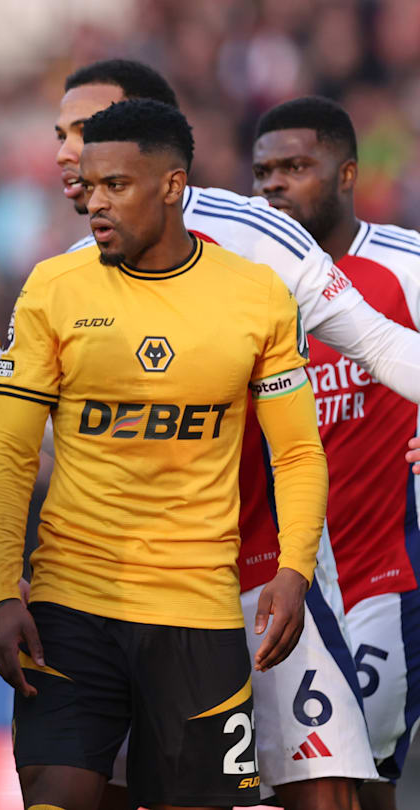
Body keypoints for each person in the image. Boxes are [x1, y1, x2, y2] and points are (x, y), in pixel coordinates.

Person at [50, 58, 420, 810]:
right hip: (141, 590)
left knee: (338, 789)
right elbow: (42, 426)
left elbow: (379, 344)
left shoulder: (251, 237)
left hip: (271, 569)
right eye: (60, 134)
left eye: (84, 131)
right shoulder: (67, 273)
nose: (64, 152)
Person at [0, 98, 328, 810]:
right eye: (89, 185)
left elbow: (296, 451)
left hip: (198, 611)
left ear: (172, 186)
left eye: (117, 185)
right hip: (70, 603)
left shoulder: (255, 297)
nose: (94, 203)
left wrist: (295, 569)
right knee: (59, 795)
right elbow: (11, 453)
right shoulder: (55, 287)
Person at [253, 96, 420, 810]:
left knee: (365, 770)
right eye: (263, 172)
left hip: (383, 569)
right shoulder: (246, 279)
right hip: (282, 576)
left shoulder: (405, 267)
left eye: (296, 166)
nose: (276, 185)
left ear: (348, 172)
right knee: (303, 782)